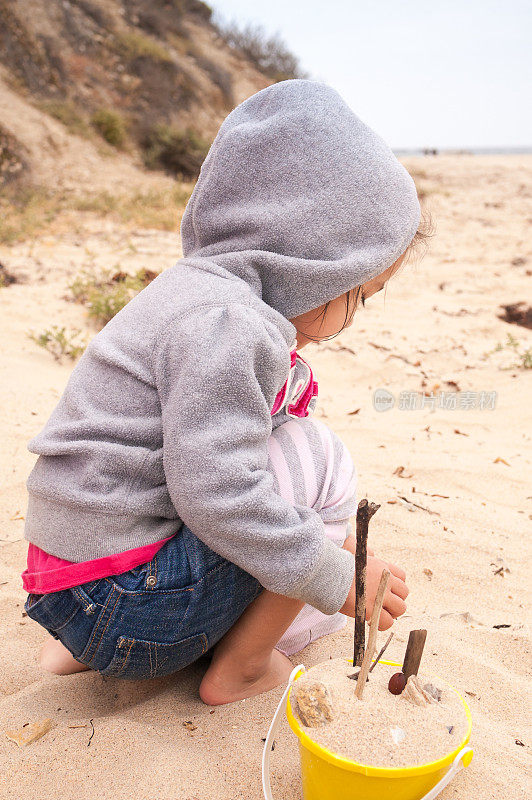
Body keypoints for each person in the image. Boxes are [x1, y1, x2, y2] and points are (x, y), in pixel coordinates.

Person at [21, 79, 427, 705]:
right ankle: (240, 667)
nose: (351, 318)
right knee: (316, 459)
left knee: (276, 466)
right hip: (128, 607)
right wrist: (330, 569)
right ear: (312, 262)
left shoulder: (194, 293)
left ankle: (75, 648)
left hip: (68, 588)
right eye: (358, 294)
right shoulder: (231, 325)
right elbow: (222, 493)